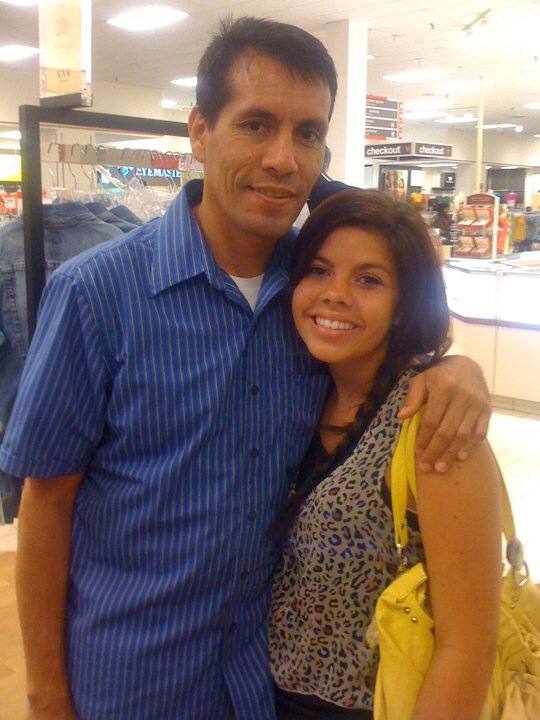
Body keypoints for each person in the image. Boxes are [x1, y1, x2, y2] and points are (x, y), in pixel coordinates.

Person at [0, 16, 490, 720]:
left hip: (263, 682)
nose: (283, 159)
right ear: (200, 132)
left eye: (307, 133)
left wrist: (456, 368)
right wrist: (47, 696)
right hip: (133, 680)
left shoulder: (314, 290)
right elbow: (47, 503)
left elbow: (400, 333)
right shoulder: (96, 293)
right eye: (256, 125)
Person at [268, 189, 501, 720]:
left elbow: (467, 648)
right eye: (319, 271)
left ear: (404, 307)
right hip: (264, 695)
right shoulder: (295, 392)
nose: (335, 294)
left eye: (369, 280)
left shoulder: (434, 422)